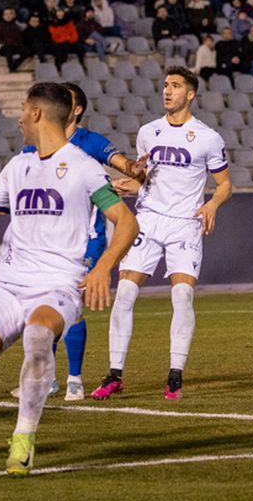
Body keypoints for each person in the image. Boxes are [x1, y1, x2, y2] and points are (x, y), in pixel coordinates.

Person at [0, 83, 140, 481]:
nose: (17, 118)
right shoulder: (18, 166)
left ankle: (23, 439)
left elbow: (126, 222)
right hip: (9, 282)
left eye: (23, 110)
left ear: (37, 114)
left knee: (37, 335)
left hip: (58, 284)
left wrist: (102, 268)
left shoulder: (83, 167)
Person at [97, 67, 232, 402]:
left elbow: (225, 184)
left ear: (191, 94)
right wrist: (134, 183)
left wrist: (213, 204)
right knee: (125, 292)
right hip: (148, 220)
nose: (167, 91)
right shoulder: (148, 132)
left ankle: (175, 376)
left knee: (182, 296)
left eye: (175, 86)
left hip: (185, 223)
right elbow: (150, 179)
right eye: (165, 86)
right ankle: (114, 375)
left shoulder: (207, 137)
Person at [0, 7, 28, 71]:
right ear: (3, 16)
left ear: (13, 16)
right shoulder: (0, 26)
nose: (8, 16)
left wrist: (19, 45)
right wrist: (5, 42)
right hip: (3, 47)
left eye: (10, 14)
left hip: (14, 46)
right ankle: (11, 67)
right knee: (9, 47)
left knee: (27, 51)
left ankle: (14, 66)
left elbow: (19, 38)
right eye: (6, 14)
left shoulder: (15, 26)